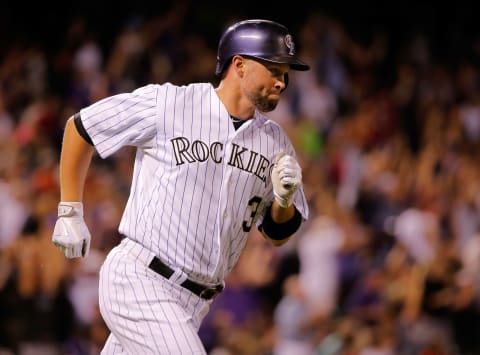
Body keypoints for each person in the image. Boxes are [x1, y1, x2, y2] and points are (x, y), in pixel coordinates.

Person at [52, 18, 310, 354]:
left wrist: (284, 200)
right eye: (274, 69)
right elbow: (82, 126)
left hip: (194, 304)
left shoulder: (275, 143)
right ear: (240, 65)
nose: (282, 81)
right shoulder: (171, 104)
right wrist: (70, 211)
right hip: (141, 279)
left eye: (285, 72)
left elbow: (278, 234)